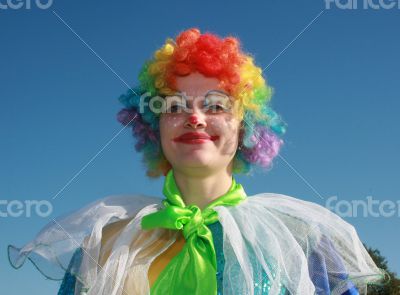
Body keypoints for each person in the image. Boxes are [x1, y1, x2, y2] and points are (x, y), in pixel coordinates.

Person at [8, 28, 387, 295]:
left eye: (216, 105)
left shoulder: (299, 240)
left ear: (246, 128)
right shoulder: (107, 241)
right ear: (154, 129)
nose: (195, 117)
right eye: (174, 106)